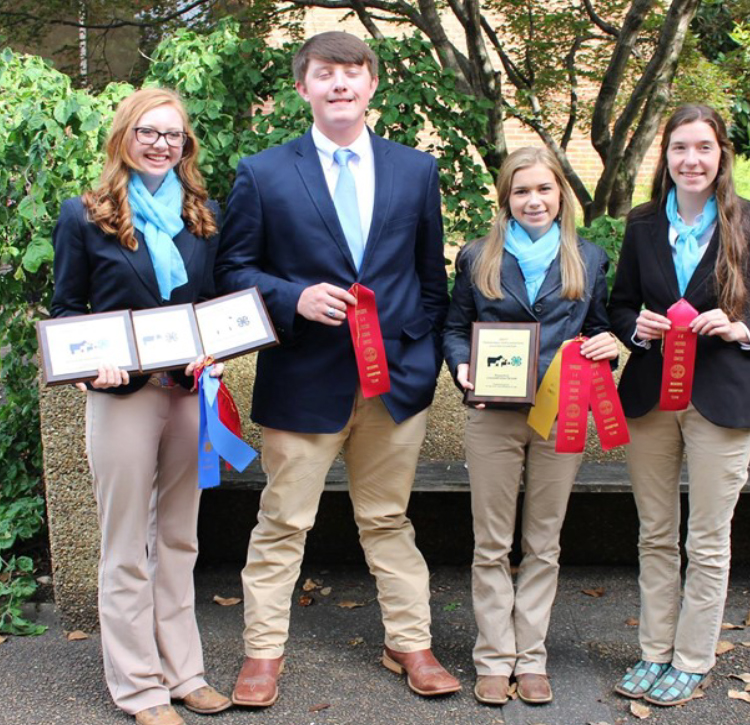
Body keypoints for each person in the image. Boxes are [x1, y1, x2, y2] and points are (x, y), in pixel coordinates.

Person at [215, 31, 458, 707]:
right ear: (304, 88)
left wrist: (428, 358)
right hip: (303, 379)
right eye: (325, 74)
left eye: (352, 72)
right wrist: (293, 296)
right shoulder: (263, 173)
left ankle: (409, 643)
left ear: (372, 83)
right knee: (284, 523)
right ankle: (263, 654)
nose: (340, 84)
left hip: (395, 384)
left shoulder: (416, 170)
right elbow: (233, 269)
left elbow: (429, 278)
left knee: (388, 519)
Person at [608, 104, 750, 706]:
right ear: (664, 157)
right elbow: (619, 306)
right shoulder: (642, 225)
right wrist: (636, 328)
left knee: (709, 540)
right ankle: (654, 651)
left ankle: (692, 660)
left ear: (722, 155)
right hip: (649, 398)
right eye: (679, 149)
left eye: (704, 148)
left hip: (723, 398)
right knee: (655, 533)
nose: (691, 160)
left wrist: (742, 328)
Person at [50, 88, 230, 725]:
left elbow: (216, 304)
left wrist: (218, 349)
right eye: (149, 132)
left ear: (186, 146)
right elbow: (68, 308)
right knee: (125, 544)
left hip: (185, 395)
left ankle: (184, 673)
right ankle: (139, 688)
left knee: (179, 538)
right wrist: (87, 364)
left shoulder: (202, 213)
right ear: (125, 135)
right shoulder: (86, 214)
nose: (161, 144)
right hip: (122, 396)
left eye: (173, 135)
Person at [442, 146, 618, 706]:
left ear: (561, 194)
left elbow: (599, 327)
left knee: (544, 541)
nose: (534, 200)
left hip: (561, 412)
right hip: (493, 416)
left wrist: (606, 347)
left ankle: (531, 656)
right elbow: (453, 327)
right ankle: (493, 657)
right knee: (491, 542)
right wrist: (462, 365)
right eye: (522, 191)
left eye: (544, 189)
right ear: (506, 198)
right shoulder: (476, 257)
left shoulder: (588, 258)